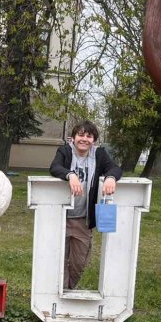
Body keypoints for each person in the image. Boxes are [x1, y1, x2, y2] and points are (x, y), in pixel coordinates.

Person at [50, 120, 122, 290]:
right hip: (62, 218)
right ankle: (60, 293)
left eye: (89, 136)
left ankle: (67, 290)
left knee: (79, 263)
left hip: (83, 219)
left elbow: (115, 168)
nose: (84, 139)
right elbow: (54, 167)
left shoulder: (99, 154)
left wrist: (111, 177)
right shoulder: (65, 151)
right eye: (80, 135)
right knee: (58, 259)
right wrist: (70, 175)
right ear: (73, 138)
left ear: (94, 140)